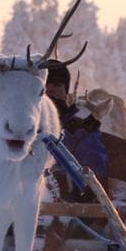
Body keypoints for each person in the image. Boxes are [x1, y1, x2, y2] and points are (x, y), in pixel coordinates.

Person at [45, 62, 108, 203]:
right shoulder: (21, 127)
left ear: (66, 92)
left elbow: (95, 167)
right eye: (45, 84)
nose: (50, 89)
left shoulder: (83, 126)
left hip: (71, 205)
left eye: (57, 84)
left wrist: (65, 175)